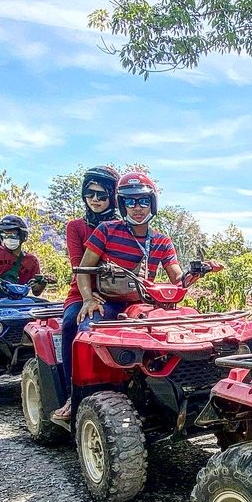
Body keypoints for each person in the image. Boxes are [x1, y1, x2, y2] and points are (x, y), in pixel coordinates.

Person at [53, 172, 183, 422]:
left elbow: (177, 277)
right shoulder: (106, 230)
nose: (137, 208)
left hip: (141, 303)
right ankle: (77, 396)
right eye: (130, 202)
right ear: (121, 204)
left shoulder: (161, 241)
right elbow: (82, 269)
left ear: (152, 204)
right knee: (84, 328)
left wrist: (195, 275)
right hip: (106, 300)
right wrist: (89, 298)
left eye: (143, 201)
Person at [50, 166, 120, 422]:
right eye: (90, 193)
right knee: (72, 323)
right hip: (82, 291)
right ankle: (73, 395)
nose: (95, 200)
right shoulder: (76, 227)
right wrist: (88, 297)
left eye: (102, 195)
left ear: (113, 197)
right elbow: (78, 265)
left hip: (118, 292)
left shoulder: (125, 226)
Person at [0, 214, 48, 304]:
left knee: (46, 305)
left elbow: (36, 292)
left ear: (23, 236)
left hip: (19, 300)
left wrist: (43, 282)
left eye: (13, 235)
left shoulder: (32, 260)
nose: (8, 238)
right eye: (5, 235)